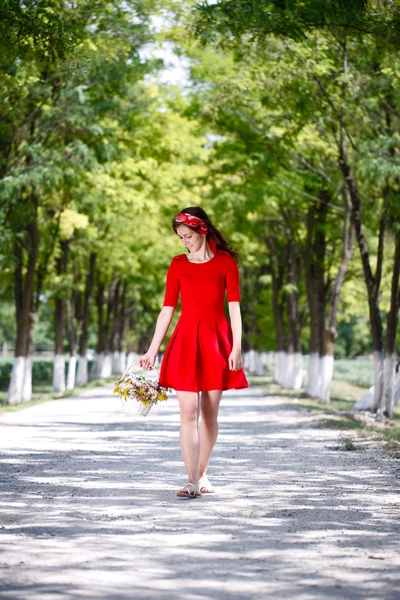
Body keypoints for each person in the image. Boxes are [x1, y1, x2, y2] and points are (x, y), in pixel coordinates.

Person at [138, 206, 248, 499]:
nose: (184, 241)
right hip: (186, 340)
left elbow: (234, 308)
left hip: (216, 341)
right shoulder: (177, 265)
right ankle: (191, 480)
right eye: (180, 237)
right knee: (188, 411)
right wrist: (152, 349)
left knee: (209, 415)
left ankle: (201, 474)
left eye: (187, 235)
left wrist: (236, 346)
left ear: (201, 230)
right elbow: (167, 310)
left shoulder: (225, 263)